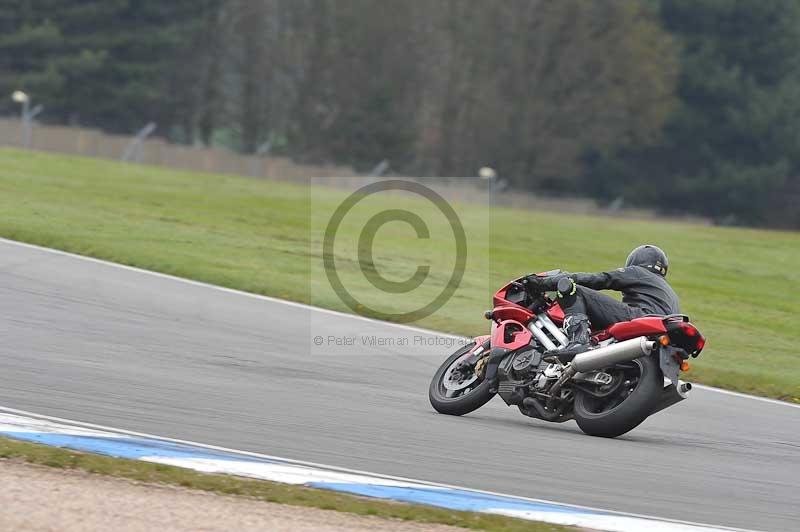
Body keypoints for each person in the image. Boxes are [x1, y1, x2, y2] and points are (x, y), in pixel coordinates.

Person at [525, 245, 679, 363]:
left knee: (574, 290)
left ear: (636, 262)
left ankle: (578, 342)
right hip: (662, 335)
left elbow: (599, 279)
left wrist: (542, 283)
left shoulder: (638, 272)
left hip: (641, 318)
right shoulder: (670, 292)